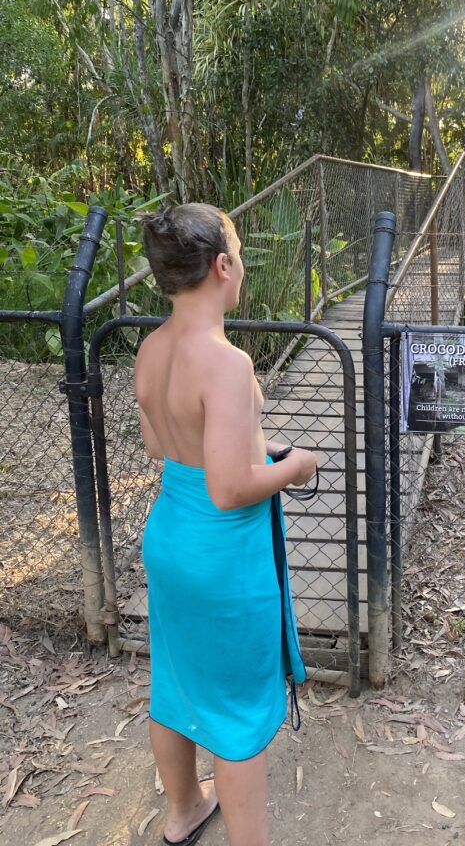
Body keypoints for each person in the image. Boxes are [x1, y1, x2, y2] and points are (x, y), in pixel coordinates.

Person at [134, 203, 317, 846]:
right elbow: (230, 488)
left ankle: (183, 811)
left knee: (175, 682)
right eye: (238, 255)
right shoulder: (226, 362)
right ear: (220, 266)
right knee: (238, 715)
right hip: (223, 556)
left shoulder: (152, 348)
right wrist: (294, 466)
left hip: (170, 538)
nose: (241, 267)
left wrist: (251, 451)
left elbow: (161, 445)